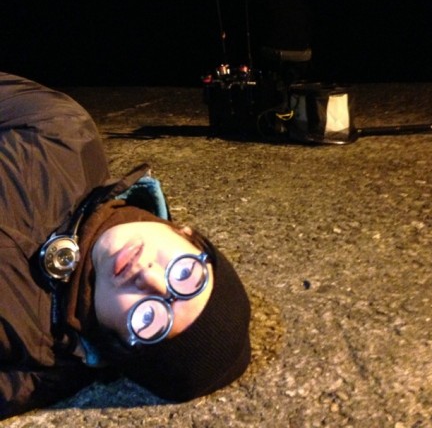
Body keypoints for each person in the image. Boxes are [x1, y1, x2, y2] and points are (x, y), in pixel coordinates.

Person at [0, 72, 251, 419]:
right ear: (188, 234)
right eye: (185, 275)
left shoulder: (34, 367)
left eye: (149, 319)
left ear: (118, 346)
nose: (149, 278)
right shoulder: (60, 131)